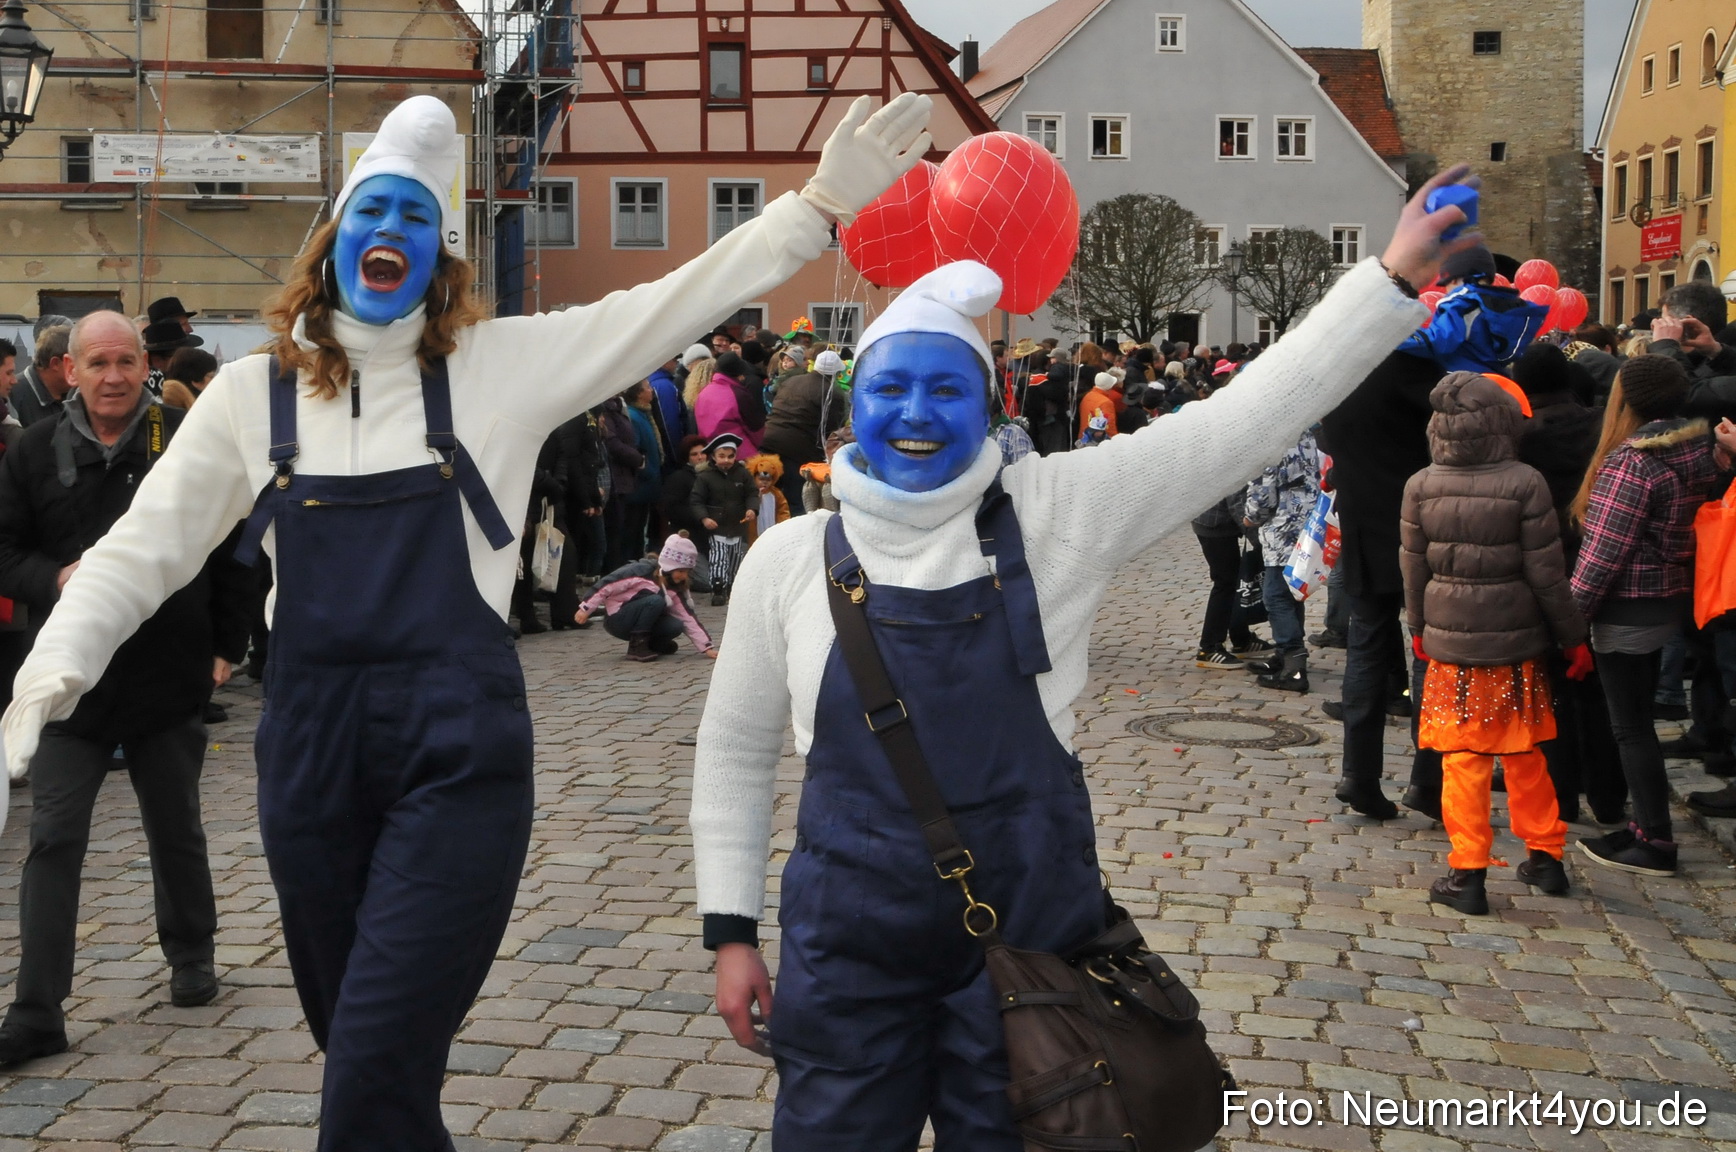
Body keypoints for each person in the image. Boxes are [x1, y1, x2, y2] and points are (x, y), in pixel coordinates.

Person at [0, 90, 936, 1148]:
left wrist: (814, 208)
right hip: (308, 752)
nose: (388, 231)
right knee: (361, 1049)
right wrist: (51, 675)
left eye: (413, 219)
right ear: (336, 238)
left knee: (373, 1066)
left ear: (438, 258)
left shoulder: (497, 371)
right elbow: (143, 550)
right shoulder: (252, 398)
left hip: (456, 750)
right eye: (371, 212)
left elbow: (663, 305)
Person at [693, 163, 1479, 1148]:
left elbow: (1242, 421)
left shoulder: (1056, 512)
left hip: (1031, 948)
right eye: (891, 388)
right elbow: (732, 751)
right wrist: (728, 933)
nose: (916, 413)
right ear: (852, 414)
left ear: (986, 409)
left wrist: (1389, 279)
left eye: (946, 388)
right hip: (846, 949)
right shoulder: (786, 559)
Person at [0, 311, 252, 1065]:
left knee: (174, 826)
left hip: (168, 668)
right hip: (72, 681)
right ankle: (37, 1007)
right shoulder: (33, 450)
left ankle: (192, 956)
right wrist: (55, 577)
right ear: (69, 370)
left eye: (125, 361)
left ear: (145, 364)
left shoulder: (184, 434)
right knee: (52, 837)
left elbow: (239, 547)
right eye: (96, 362)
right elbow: (6, 553)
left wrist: (225, 649)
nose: (113, 376)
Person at [1399, 373, 1590, 915]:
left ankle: (1468, 872)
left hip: (1452, 647)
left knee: (1463, 757)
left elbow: (1413, 568)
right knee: (1525, 747)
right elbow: (1549, 574)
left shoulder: (1421, 484)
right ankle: (1546, 855)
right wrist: (1573, 637)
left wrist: (1418, 629)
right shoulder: (1526, 481)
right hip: (1515, 642)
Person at [1570, 356, 1734, 877]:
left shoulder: (1633, 463)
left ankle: (1654, 838)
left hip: (1628, 605)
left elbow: (1602, 555)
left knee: (1631, 728)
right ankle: (1646, 827)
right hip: (1666, 598)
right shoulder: (1695, 447)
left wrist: (1568, 621)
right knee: (1635, 720)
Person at [1514, 342, 1624, 823]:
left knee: (1549, 689)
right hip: (1599, 562)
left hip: (1543, 569)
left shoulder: (1520, 437)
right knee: (1597, 690)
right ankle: (1607, 795)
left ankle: (1561, 795)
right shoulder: (1602, 428)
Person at [1241, 426, 1322, 692]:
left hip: (1283, 526)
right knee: (1291, 591)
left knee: (1275, 595)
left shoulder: (1268, 438)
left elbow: (1264, 492)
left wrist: (1251, 517)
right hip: (1307, 521)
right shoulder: (1307, 431)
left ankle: (1293, 663)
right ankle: (1285, 655)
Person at [1396, 246, 1549, 374]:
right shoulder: (1501, 307)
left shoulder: (1463, 304)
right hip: (1493, 381)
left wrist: (1396, 337)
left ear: (1455, 278)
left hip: (1461, 383)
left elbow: (1438, 341)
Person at [574, 532, 716, 662]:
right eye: (680, 571)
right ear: (669, 567)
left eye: (687, 572)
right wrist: (586, 608)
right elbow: (607, 585)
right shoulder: (641, 571)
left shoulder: (675, 587)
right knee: (655, 601)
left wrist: (706, 647)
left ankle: (652, 644)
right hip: (618, 618)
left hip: (640, 618)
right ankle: (637, 646)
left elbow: (687, 617)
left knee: (676, 625)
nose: (684, 576)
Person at [690, 432, 755, 604]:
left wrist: (752, 508)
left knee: (735, 557)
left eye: (730, 456)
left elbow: (752, 493)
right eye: (722, 456)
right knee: (718, 558)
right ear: (713, 456)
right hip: (716, 525)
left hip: (737, 524)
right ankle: (718, 587)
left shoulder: (742, 474)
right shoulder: (705, 477)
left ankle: (732, 584)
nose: (726, 460)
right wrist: (704, 518)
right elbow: (697, 500)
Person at [695, 352, 763, 455]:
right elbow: (755, 428)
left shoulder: (703, 393)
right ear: (738, 373)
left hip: (713, 453)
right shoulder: (738, 394)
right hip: (739, 454)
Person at [12, 325, 71, 429]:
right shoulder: (11, 396)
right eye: (78, 362)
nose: (85, 368)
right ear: (55, 363)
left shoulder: (79, 394)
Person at [744, 453, 790, 540]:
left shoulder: (776, 494)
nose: (764, 482)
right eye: (761, 479)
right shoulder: (750, 492)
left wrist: (783, 524)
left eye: (768, 480)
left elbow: (783, 510)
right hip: (754, 531)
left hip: (772, 527)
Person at [1078, 370, 1118, 441]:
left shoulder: (1088, 396)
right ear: (1109, 386)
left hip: (1084, 438)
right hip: (1098, 441)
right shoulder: (1106, 402)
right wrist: (1115, 440)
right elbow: (1109, 426)